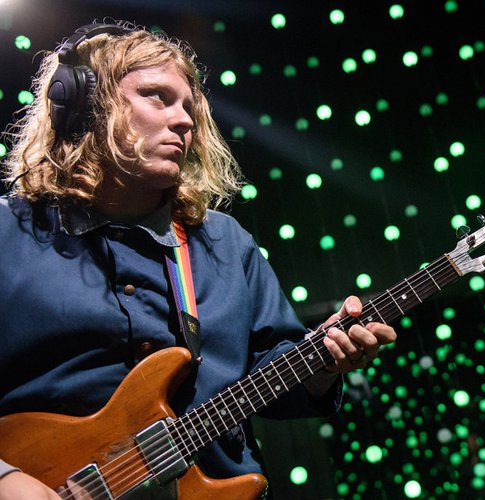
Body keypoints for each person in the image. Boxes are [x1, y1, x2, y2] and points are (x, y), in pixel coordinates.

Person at [0, 21, 396, 498]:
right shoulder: (9, 233)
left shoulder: (225, 243)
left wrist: (322, 365)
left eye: (189, 106)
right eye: (158, 97)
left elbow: (273, 379)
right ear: (85, 106)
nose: (184, 120)